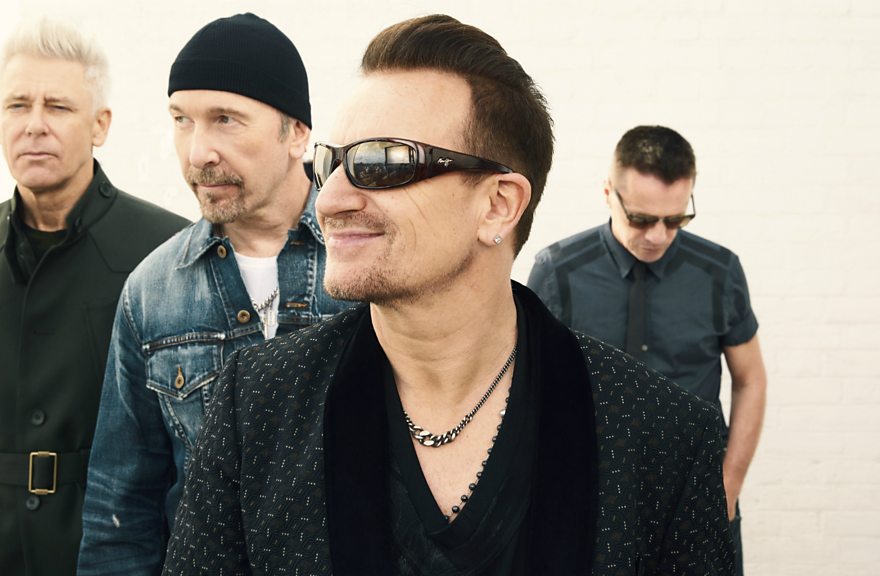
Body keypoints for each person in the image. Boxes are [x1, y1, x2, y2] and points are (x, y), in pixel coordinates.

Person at [163, 14, 734, 575]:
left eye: (381, 162)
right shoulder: (257, 405)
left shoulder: (664, 437)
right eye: (329, 165)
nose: (329, 200)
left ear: (498, 205)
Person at [0, 18, 189, 576]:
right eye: (18, 106)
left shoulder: (165, 251)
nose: (35, 125)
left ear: (100, 124)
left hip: (110, 552)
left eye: (57, 106)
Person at [77, 13, 349, 575]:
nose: (198, 151)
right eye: (182, 120)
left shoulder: (365, 263)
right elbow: (120, 511)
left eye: (226, 119)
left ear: (297, 133)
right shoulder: (153, 292)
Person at [527, 124, 766, 573]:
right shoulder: (557, 272)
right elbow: (530, 386)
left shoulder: (720, 272)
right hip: (592, 497)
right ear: (608, 194)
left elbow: (750, 379)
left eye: (675, 220)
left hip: (700, 495)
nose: (658, 235)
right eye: (641, 219)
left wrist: (728, 485)